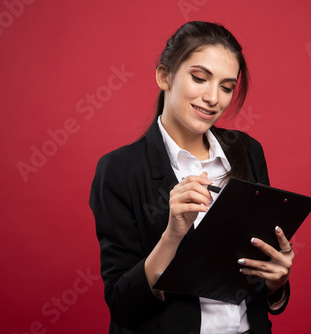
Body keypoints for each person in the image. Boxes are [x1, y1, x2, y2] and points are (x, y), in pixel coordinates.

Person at [90, 21, 295, 334]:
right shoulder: (119, 170)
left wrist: (276, 282)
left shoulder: (248, 151)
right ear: (165, 76)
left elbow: (258, 282)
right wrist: (172, 235)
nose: (213, 97)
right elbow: (121, 305)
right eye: (199, 78)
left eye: (226, 87)